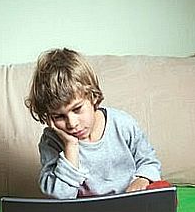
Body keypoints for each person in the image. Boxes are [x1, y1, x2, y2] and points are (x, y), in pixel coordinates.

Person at [25, 48, 162, 199]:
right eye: (59, 116)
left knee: (163, 193)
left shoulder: (122, 124)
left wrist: (142, 179)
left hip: (128, 203)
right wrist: (71, 146)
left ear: (92, 96)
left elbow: (149, 160)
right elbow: (61, 197)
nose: (72, 124)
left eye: (77, 109)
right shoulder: (51, 142)